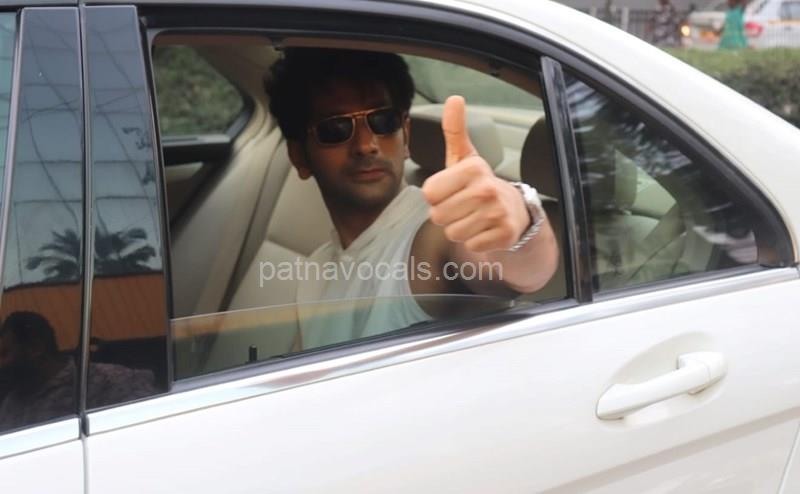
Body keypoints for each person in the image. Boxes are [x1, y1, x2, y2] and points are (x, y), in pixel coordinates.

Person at [264, 49, 559, 348]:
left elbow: (517, 271)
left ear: (405, 134)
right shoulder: (314, 275)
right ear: (299, 156)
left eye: (383, 121)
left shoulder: (434, 231)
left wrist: (520, 221)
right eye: (335, 128)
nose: (366, 145)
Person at [0, 311, 157, 432]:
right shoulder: (11, 404)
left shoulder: (111, 382)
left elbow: (152, 428)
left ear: (36, 348)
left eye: (4, 354)